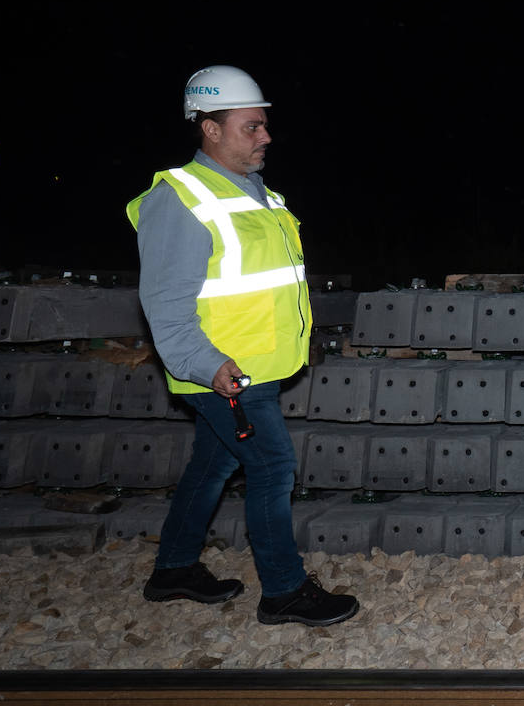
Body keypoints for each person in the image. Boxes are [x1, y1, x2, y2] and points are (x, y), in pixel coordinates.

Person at [126, 65, 359, 627]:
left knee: (212, 465)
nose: (266, 137)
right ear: (210, 128)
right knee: (274, 469)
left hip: (255, 364)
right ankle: (283, 591)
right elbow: (164, 303)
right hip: (227, 373)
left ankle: (174, 569)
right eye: (252, 127)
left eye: (264, 126)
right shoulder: (179, 199)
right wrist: (208, 366)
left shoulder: (257, 194)